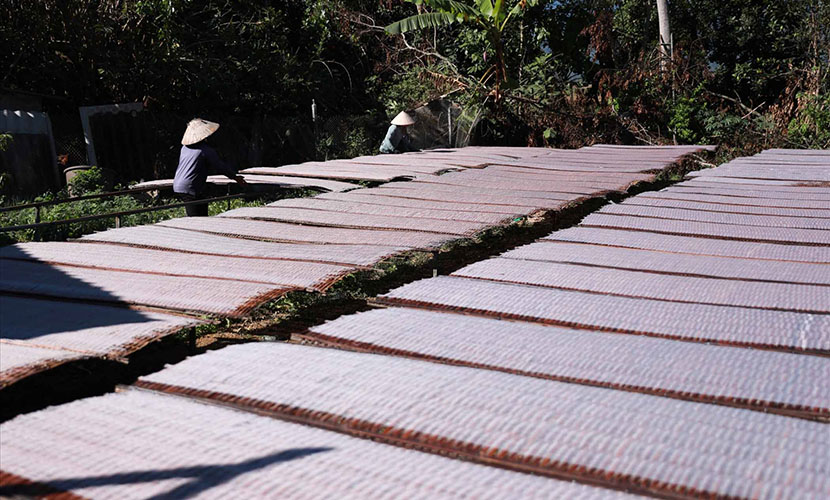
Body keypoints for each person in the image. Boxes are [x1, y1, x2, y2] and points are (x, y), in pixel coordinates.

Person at [173, 118, 246, 216]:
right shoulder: (205, 150)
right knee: (195, 219)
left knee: (202, 209)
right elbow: (220, 166)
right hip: (190, 187)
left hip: (179, 184)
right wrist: (235, 177)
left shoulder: (184, 148)